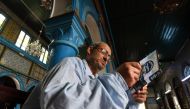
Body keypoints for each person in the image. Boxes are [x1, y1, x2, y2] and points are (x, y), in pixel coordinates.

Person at [22, 42, 148, 109]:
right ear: (89, 50)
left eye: (109, 57)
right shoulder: (71, 63)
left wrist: (132, 99)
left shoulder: (95, 80)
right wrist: (118, 82)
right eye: (103, 52)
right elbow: (56, 102)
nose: (106, 58)